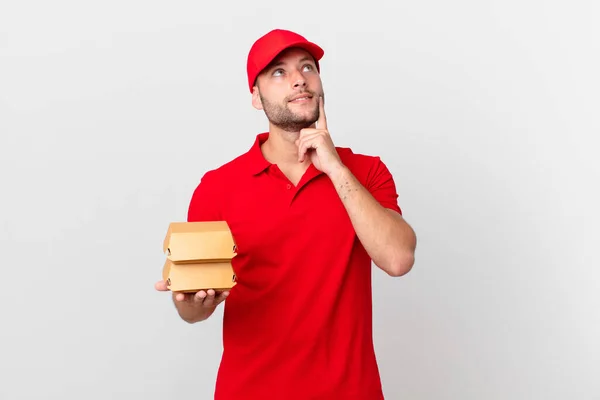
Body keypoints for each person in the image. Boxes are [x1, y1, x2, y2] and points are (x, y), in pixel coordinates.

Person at [155, 28, 417, 399]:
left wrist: (336, 169)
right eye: (278, 72)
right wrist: (195, 302)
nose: (298, 79)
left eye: (307, 67)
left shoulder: (365, 171)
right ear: (256, 98)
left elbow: (398, 258)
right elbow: (193, 311)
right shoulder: (217, 187)